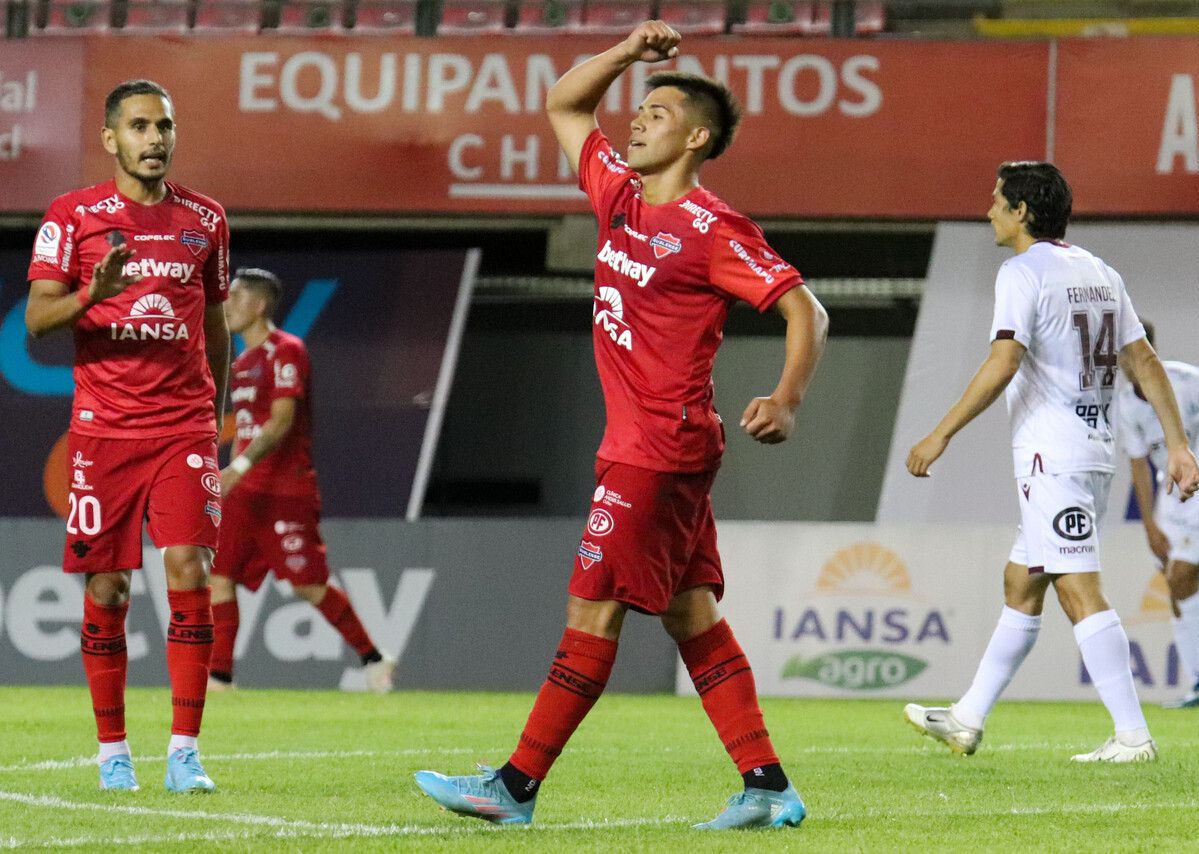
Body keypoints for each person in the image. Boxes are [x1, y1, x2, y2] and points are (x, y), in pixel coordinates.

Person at [413, 20, 828, 829]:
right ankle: (769, 785)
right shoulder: (619, 193)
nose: (636, 120)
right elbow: (565, 103)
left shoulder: (713, 230)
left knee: (592, 611)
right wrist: (628, 56)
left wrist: (787, 398)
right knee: (691, 616)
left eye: (658, 113)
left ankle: (515, 788)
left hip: (658, 448)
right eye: (639, 111)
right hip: (651, 445)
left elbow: (803, 309)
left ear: (697, 138)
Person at [901, 161, 1199, 763]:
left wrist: (941, 434)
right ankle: (967, 718)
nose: (988, 210)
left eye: (996, 201)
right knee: (1022, 581)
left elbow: (1004, 360)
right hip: (1090, 450)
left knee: (1078, 590)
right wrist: (1177, 443)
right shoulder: (1098, 270)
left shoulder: (1021, 272)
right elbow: (1144, 362)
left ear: (1021, 212)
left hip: (1053, 456)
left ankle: (1132, 736)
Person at [25, 79, 230, 793]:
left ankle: (184, 751)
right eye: (140, 126)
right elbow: (36, 321)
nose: (155, 139)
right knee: (108, 587)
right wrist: (94, 295)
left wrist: (217, 414)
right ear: (111, 138)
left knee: (190, 571)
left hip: (184, 428)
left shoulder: (206, 218)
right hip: (104, 432)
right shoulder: (72, 216)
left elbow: (214, 321)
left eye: (164, 126)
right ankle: (113, 751)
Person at [209, 268, 396, 693]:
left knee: (307, 585)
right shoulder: (240, 364)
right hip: (245, 494)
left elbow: (280, 424)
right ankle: (219, 680)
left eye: (235, 297)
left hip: (284, 490)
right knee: (219, 576)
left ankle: (375, 658)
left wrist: (236, 469)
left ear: (257, 306)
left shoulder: (286, 351)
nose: (228, 305)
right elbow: (249, 429)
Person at [1116, 320, 1199, 708]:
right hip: (1172, 502)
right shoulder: (1126, 404)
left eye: (1131, 350)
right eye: (1120, 353)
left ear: (1147, 349)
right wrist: (1149, 525)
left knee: (1181, 575)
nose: (1125, 361)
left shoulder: (1188, 382)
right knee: (1174, 586)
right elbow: (1139, 466)